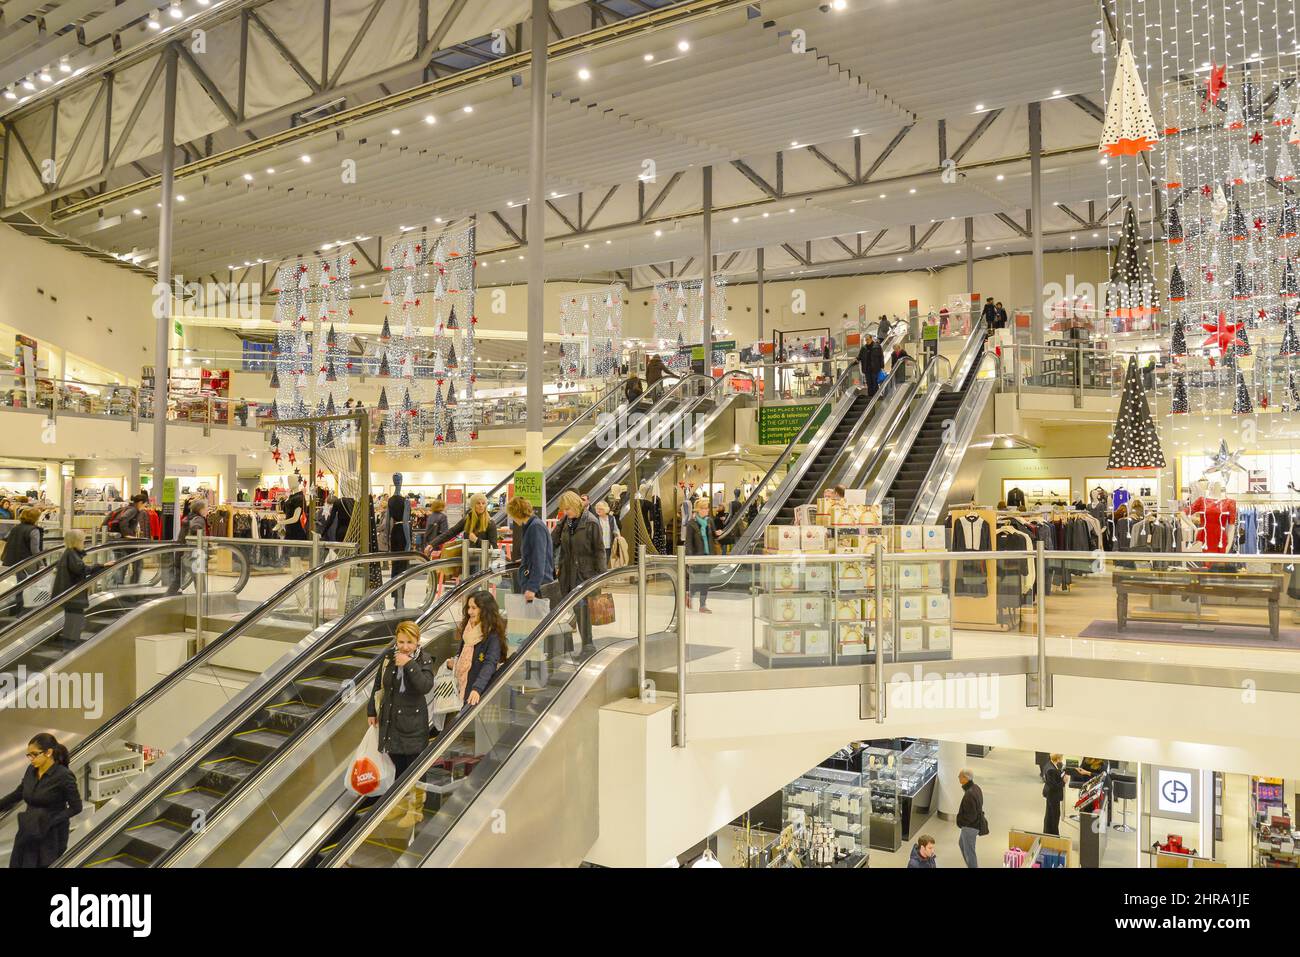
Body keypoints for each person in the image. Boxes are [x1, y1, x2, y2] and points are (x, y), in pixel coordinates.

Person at [367, 620, 435, 828]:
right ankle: (400, 804)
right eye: (401, 641)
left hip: (413, 723)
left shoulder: (424, 659)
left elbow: (424, 686)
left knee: (414, 767)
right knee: (397, 765)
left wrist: (409, 664)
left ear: (417, 641)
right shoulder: (388, 657)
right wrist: (371, 710)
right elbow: (379, 685)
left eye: (410, 642)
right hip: (390, 721)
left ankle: (416, 810)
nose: (405, 647)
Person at [0, 733, 82, 867]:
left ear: (48, 752)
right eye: (28, 755)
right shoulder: (31, 770)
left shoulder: (63, 775)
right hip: (28, 828)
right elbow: (19, 792)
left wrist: (51, 820)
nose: (30, 758)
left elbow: (76, 807)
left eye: (34, 754)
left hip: (50, 835)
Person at [551, 489, 607, 651]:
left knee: (582, 610)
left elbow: (599, 551)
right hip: (567, 572)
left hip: (585, 574)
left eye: (568, 509)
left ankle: (588, 645)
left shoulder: (591, 522)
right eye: (564, 510)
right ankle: (573, 647)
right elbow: (553, 540)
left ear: (576, 505)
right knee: (571, 610)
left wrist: (600, 577)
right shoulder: (566, 523)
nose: (566, 513)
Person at [452, 589, 507, 715]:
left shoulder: (493, 635)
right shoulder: (468, 629)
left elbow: (490, 663)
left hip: (480, 693)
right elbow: (461, 654)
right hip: (461, 688)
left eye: (474, 608)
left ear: (485, 610)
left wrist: (477, 688)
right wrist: (455, 662)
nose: (469, 611)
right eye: (468, 607)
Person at [507, 496, 554, 603]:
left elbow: (539, 559)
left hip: (538, 586)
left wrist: (532, 588)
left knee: (536, 618)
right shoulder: (531, 526)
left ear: (517, 513)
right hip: (535, 582)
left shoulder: (535, 527)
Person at [2, 507, 45, 615]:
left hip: (12, 560)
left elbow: (6, 538)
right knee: (27, 586)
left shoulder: (15, 528)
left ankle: (14, 609)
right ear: (35, 518)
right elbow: (35, 550)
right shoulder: (34, 530)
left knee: (18, 585)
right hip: (27, 562)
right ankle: (23, 612)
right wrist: (42, 563)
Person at [684, 496, 722, 612]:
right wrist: (690, 559)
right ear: (698, 510)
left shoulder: (709, 521)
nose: (707, 510)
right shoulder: (691, 524)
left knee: (706, 582)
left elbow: (714, 536)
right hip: (697, 557)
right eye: (704, 508)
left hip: (708, 556)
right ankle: (691, 596)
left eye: (707, 508)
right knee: (700, 582)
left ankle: (702, 605)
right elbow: (689, 543)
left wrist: (717, 533)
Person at [53, 530, 90, 643]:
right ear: (77, 541)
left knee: (71, 619)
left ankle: (69, 642)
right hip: (74, 595)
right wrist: (101, 566)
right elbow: (81, 569)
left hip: (68, 594)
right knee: (76, 620)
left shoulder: (68, 553)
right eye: (83, 540)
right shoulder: (72, 554)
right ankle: (71, 644)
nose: (84, 542)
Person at [165, 500, 209, 596]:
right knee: (199, 580)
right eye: (206, 508)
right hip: (193, 553)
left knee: (178, 580)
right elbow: (196, 528)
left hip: (182, 552)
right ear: (200, 509)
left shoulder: (187, 518)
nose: (207, 510)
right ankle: (202, 601)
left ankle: (166, 597)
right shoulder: (199, 519)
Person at [956, 768, 987, 868]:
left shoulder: (969, 794)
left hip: (970, 827)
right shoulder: (976, 788)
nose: (958, 778)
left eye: (960, 776)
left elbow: (971, 816)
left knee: (970, 852)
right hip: (973, 825)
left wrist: (961, 822)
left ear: (965, 778)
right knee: (962, 843)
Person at [1042, 752, 1065, 836]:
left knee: (1050, 814)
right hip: (1053, 795)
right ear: (1058, 758)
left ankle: (1049, 833)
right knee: (1054, 816)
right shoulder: (1051, 770)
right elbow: (1054, 786)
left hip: (1051, 795)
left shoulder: (1050, 764)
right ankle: (1053, 834)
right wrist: (1063, 782)